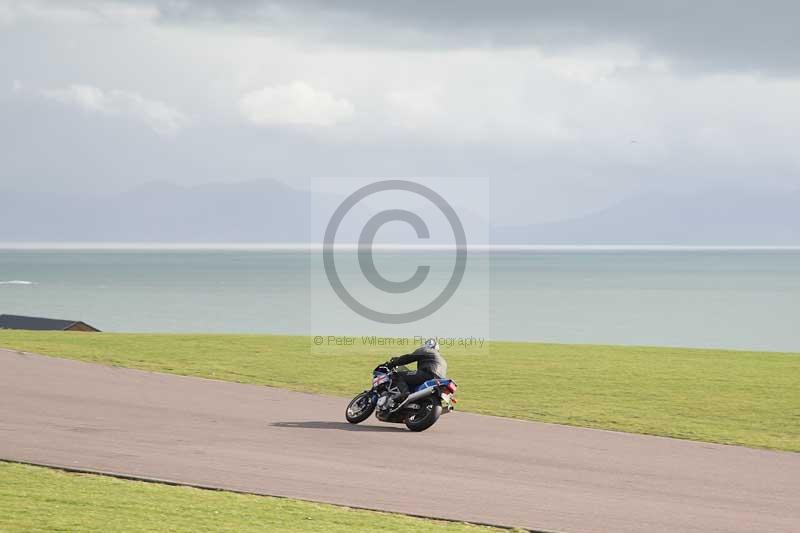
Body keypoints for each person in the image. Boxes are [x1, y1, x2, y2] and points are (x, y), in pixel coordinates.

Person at [383, 338, 447, 408]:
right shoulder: (442, 360)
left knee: (397, 375)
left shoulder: (426, 350)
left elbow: (408, 358)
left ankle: (404, 393)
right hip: (437, 381)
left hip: (427, 374)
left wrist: (394, 362)